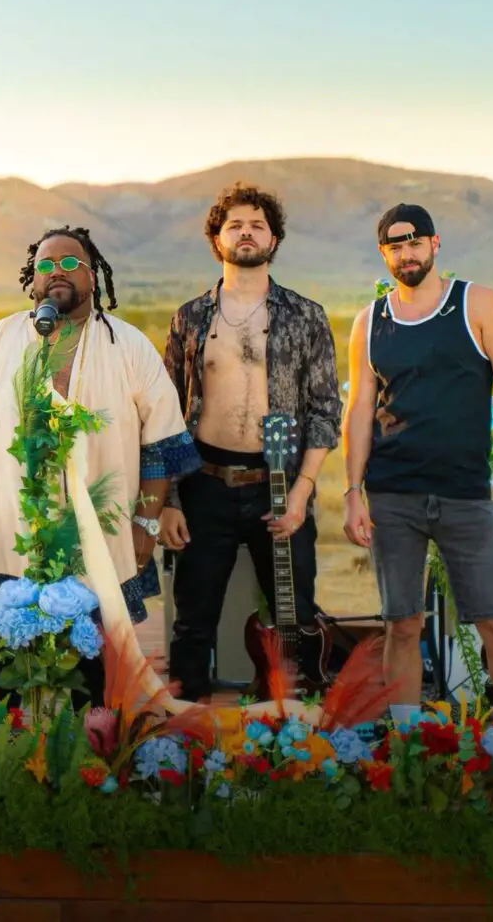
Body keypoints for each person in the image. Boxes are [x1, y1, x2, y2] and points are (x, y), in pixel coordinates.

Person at [0, 225, 200, 705]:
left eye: (70, 262)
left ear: (93, 276)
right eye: (45, 265)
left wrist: (147, 520)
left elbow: (159, 444)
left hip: (101, 534)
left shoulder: (129, 346)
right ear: (31, 280)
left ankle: (88, 769)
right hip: (9, 533)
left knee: (92, 671)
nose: (57, 271)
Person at [161, 183, 342, 702]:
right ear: (216, 239)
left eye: (258, 224)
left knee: (296, 617)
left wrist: (303, 495)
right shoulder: (191, 318)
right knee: (193, 621)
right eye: (235, 224)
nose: (246, 231)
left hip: (280, 485)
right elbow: (168, 416)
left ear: (275, 238)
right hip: (205, 485)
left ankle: (288, 734)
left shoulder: (306, 316)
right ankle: (182, 740)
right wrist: (169, 501)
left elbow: (326, 412)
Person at [343, 203, 493, 719]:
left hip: (465, 493)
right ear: (383, 254)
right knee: (402, 623)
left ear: (435, 245)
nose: (406, 251)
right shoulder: (371, 323)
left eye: (415, 241)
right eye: (395, 244)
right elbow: (360, 410)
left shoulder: (477, 304)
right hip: (393, 495)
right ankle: (408, 751)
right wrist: (352, 494)